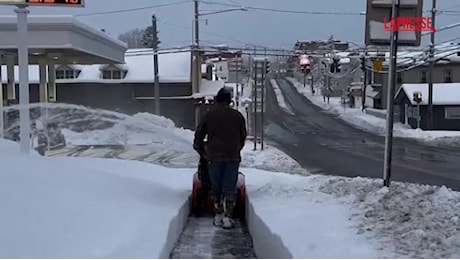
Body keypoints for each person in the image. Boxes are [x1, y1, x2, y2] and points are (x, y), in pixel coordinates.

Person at [193, 87, 247, 229]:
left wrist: (203, 151)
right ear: (229, 101)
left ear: (217, 100)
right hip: (232, 157)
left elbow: (198, 136)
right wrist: (235, 149)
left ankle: (218, 215)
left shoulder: (209, 115)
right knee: (229, 187)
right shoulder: (237, 116)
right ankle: (228, 217)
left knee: (216, 187)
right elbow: (243, 137)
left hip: (213, 157)